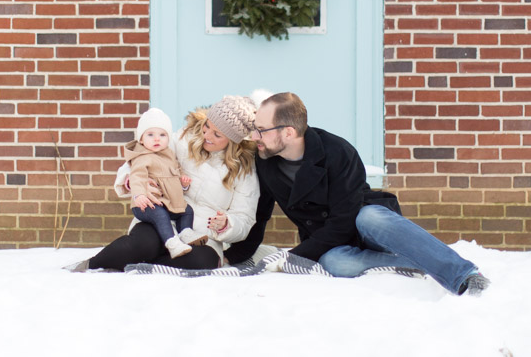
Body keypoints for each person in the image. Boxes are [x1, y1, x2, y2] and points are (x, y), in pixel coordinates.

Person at [224, 92, 490, 296]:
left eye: (261, 129)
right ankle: (415, 261)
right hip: (330, 242)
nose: (254, 135)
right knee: (335, 263)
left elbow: (344, 219)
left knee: (370, 217)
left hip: (365, 224)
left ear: (289, 132)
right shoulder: (265, 160)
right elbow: (260, 216)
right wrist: (231, 258)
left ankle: (463, 274)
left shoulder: (337, 151)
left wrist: (293, 255)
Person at [73, 95, 260, 272]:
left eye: (217, 134)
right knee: (143, 244)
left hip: (202, 236)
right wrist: (135, 182)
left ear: (234, 141)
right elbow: (141, 156)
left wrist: (227, 224)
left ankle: (145, 264)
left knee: (203, 261)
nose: (207, 135)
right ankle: (91, 264)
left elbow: (244, 217)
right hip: (163, 215)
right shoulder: (183, 139)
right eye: (207, 126)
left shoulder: (244, 169)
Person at [126, 107, 208, 258]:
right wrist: (139, 196)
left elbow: (177, 169)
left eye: (162, 135)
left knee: (187, 210)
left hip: (169, 201)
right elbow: (136, 177)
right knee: (160, 215)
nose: (157, 139)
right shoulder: (142, 157)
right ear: (141, 139)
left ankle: (186, 233)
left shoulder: (169, 154)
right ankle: (172, 243)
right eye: (150, 134)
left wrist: (183, 182)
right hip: (147, 204)